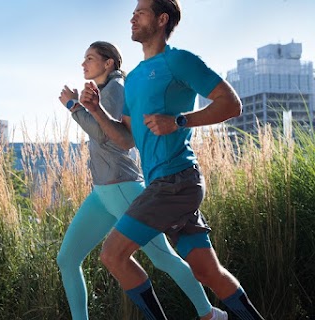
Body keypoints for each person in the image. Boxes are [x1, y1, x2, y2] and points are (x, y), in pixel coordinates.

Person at [79, 1, 266, 320]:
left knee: (113, 255)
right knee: (209, 273)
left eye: (141, 11)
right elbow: (126, 140)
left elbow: (231, 105)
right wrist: (96, 110)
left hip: (176, 181)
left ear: (162, 19)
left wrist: (179, 121)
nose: (132, 17)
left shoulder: (179, 61)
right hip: (164, 184)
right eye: (133, 12)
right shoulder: (135, 78)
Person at [57, 41, 227, 320]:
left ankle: (209, 314)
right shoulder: (102, 91)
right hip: (102, 192)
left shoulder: (116, 89)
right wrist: (82, 106)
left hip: (123, 187)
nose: (83, 64)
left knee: (164, 258)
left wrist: (74, 107)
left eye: (89, 58)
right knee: (67, 259)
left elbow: (109, 137)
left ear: (109, 63)